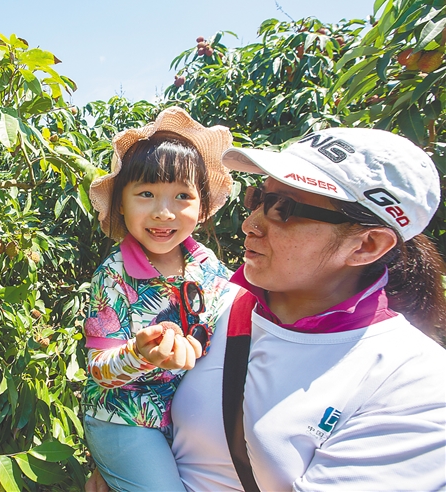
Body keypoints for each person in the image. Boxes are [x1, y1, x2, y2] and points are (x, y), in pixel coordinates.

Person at [86, 127, 446, 491]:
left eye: (283, 209)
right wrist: (125, 457)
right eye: (259, 198)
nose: (249, 224)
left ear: (366, 245)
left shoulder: (414, 388)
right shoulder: (220, 304)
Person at [82, 107, 238, 492]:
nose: (163, 212)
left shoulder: (207, 264)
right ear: (121, 203)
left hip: (187, 419)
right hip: (124, 418)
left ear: (202, 207)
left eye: (182, 196)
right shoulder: (114, 274)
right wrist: (140, 354)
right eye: (146, 194)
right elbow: (99, 370)